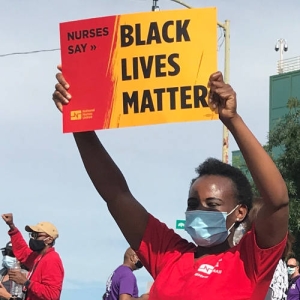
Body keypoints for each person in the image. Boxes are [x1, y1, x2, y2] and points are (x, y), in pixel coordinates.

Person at [53, 68, 289, 299]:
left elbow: (277, 201)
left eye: (212, 204)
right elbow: (115, 194)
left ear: (240, 212)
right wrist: (79, 121)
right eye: (193, 203)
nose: (200, 210)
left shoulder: (251, 261)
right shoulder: (170, 255)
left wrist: (233, 120)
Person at [1, 214, 64, 300]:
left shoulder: (52, 259)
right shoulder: (38, 257)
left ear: (49, 239)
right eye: (32, 235)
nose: (33, 238)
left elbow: (52, 294)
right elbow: (22, 251)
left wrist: (26, 282)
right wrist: (12, 226)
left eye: (37, 235)